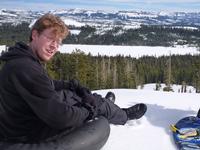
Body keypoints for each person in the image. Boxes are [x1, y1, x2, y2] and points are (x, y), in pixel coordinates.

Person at [0, 14, 147, 143]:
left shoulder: (21, 60)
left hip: (25, 120)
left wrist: (69, 85)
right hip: (31, 132)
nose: (54, 47)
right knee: (94, 103)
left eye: (58, 42)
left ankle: (107, 106)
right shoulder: (26, 68)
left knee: (73, 94)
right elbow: (61, 118)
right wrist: (89, 109)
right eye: (51, 38)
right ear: (35, 35)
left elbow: (42, 85)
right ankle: (124, 115)